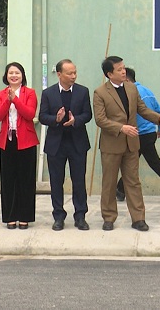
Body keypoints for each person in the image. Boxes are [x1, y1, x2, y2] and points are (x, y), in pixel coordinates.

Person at [93, 56, 160, 232]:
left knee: (133, 182)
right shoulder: (100, 93)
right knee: (109, 182)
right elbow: (100, 120)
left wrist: (159, 118)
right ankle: (109, 217)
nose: (123, 71)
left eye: (124, 68)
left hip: (131, 144)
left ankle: (138, 218)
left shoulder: (131, 89)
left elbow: (142, 110)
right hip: (111, 145)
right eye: (119, 69)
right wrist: (121, 128)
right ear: (109, 74)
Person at [39, 59, 93, 231]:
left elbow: (88, 114)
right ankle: (58, 216)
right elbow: (42, 116)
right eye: (69, 73)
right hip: (56, 144)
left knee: (79, 180)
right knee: (56, 182)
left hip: (77, 142)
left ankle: (80, 216)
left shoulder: (83, 91)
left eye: (75, 72)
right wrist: (56, 119)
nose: (73, 76)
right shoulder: (48, 93)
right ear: (59, 74)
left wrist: (75, 120)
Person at [115, 67, 160, 204]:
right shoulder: (148, 91)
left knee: (138, 163)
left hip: (138, 134)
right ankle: (120, 189)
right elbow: (159, 110)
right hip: (149, 133)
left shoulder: (131, 93)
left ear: (127, 79)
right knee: (135, 162)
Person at [0, 62, 39, 230]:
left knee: (26, 180)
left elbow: (29, 114)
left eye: (17, 73)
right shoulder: (0, 94)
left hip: (26, 140)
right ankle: (10, 217)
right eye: (10, 73)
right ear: (6, 76)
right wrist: (7, 100)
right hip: (8, 140)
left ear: (22, 76)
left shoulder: (30, 93)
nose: (14, 76)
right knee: (8, 180)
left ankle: (25, 216)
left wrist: (16, 100)